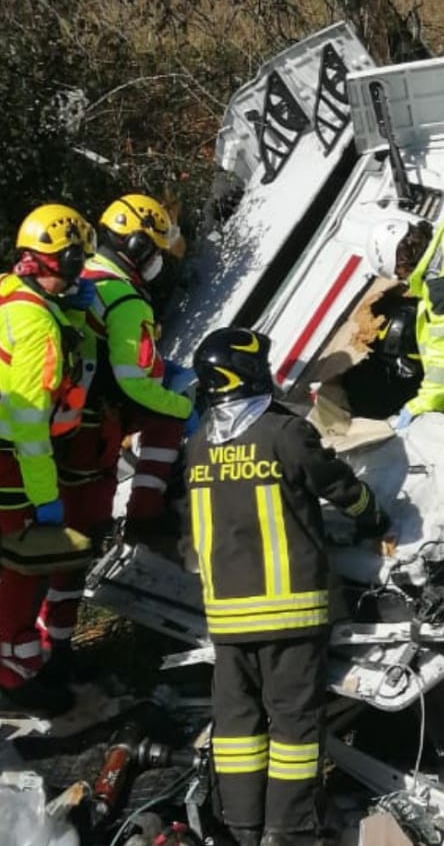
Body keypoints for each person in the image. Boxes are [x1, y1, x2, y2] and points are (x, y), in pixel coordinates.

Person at [177, 327, 390, 846]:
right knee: (294, 725)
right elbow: (339, 487)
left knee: (237, 724)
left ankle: (242, 826)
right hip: (289, 614)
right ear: (249, 372)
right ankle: (290, 831)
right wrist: (373, 516)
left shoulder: (200, 443)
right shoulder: (283, 432)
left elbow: (191, 530)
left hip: (227, 617)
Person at [0, 203, 104, 718]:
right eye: (76, 263)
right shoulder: (39, 327)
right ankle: (12, 682)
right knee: (30, 566)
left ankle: (10, 663)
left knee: (23, 567)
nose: (81, 272)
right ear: (58, 261)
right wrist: (47, 503)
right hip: (16, 460)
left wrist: (69, 310)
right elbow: (31, 431)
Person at [43, 193, 197, 683]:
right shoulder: (127, 299)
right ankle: (145, 514)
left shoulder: (83, 281)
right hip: (91, 434)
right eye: (153, 252)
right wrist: (186, 407)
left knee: (55, 553)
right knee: (172, 405)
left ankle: (46, 651)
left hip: (52, 431)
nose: (158, 263)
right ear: (135, 246)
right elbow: (139, 384)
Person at [364, 209, 444, 429]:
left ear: (401, 266)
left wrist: (418, 406)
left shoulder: (442, 286)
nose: (403, 281)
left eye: (400, 275)